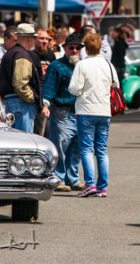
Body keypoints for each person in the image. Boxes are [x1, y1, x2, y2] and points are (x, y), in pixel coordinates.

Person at [68, 33, 118, 198]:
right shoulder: (108, 64)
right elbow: (115, 84)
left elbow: (74, 88)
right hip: (104, 110)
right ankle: (102, 187)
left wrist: (82, 91)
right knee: (102, 150)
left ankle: (90, 184)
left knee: (87, 149)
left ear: (86, 48)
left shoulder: (82, 65)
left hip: (86, 110)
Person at [41, 33, 84, 192]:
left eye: (77, 48)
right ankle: (58, 179)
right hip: (61, 112)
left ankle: (73, 179)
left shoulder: (83, 66)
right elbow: (48, 88)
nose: (74, 50)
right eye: (71, 47)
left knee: (77, 148)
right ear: (64, 48)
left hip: (80, 112)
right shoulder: (56, 66)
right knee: (60, 148)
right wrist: (45, 105)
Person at [0, 23, 43, 133]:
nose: (34, 40)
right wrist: (32, 98)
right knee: (25, 142)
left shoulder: (9, 53)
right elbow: (20, 84)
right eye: (34, 37)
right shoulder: (22, 55)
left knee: (13, 142)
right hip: (21, 103)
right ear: (29, 38)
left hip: (10, 103)